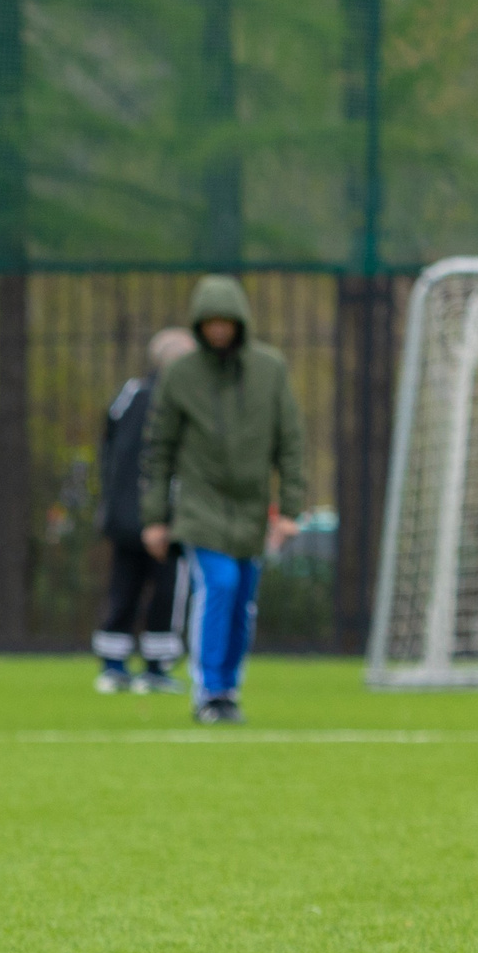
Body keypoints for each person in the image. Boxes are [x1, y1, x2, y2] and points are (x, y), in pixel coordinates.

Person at [139, 275, 306, 725]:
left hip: (251, 508)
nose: (217, 331)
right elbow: (160, 451)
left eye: (224, 322)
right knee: (220, 585)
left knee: (242, 600)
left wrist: (290, 509)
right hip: (200, 506)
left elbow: (289, 442)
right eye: (209, 322)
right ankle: (208, 690)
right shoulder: (181, 375)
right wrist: (155, 518)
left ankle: (229, 686)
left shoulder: (270, 370)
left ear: (239, 323)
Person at [93, 327, 197, 693]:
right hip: (161, 519)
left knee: (124, 587)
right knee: (166, 591)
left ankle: (114, 665)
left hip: (122, 517)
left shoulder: (128, 395)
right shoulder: (176, 402)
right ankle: (154, 668)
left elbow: (106, 451)